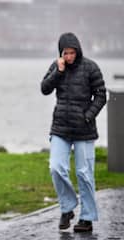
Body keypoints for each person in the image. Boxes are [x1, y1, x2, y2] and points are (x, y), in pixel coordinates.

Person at [41, 32, 106, 232]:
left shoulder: (91, 67)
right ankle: (68, 208)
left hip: (84, 130)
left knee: (84, 174)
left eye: (72, 53)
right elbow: (44, 88)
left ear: (78, 51)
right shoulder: (57, 66)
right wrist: (58, 72)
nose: (69, 57)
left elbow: (101, 95)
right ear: (61, 53)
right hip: (60, 128)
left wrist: (88, 116)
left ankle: (86, 218)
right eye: (65, 53)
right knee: (56, 167)